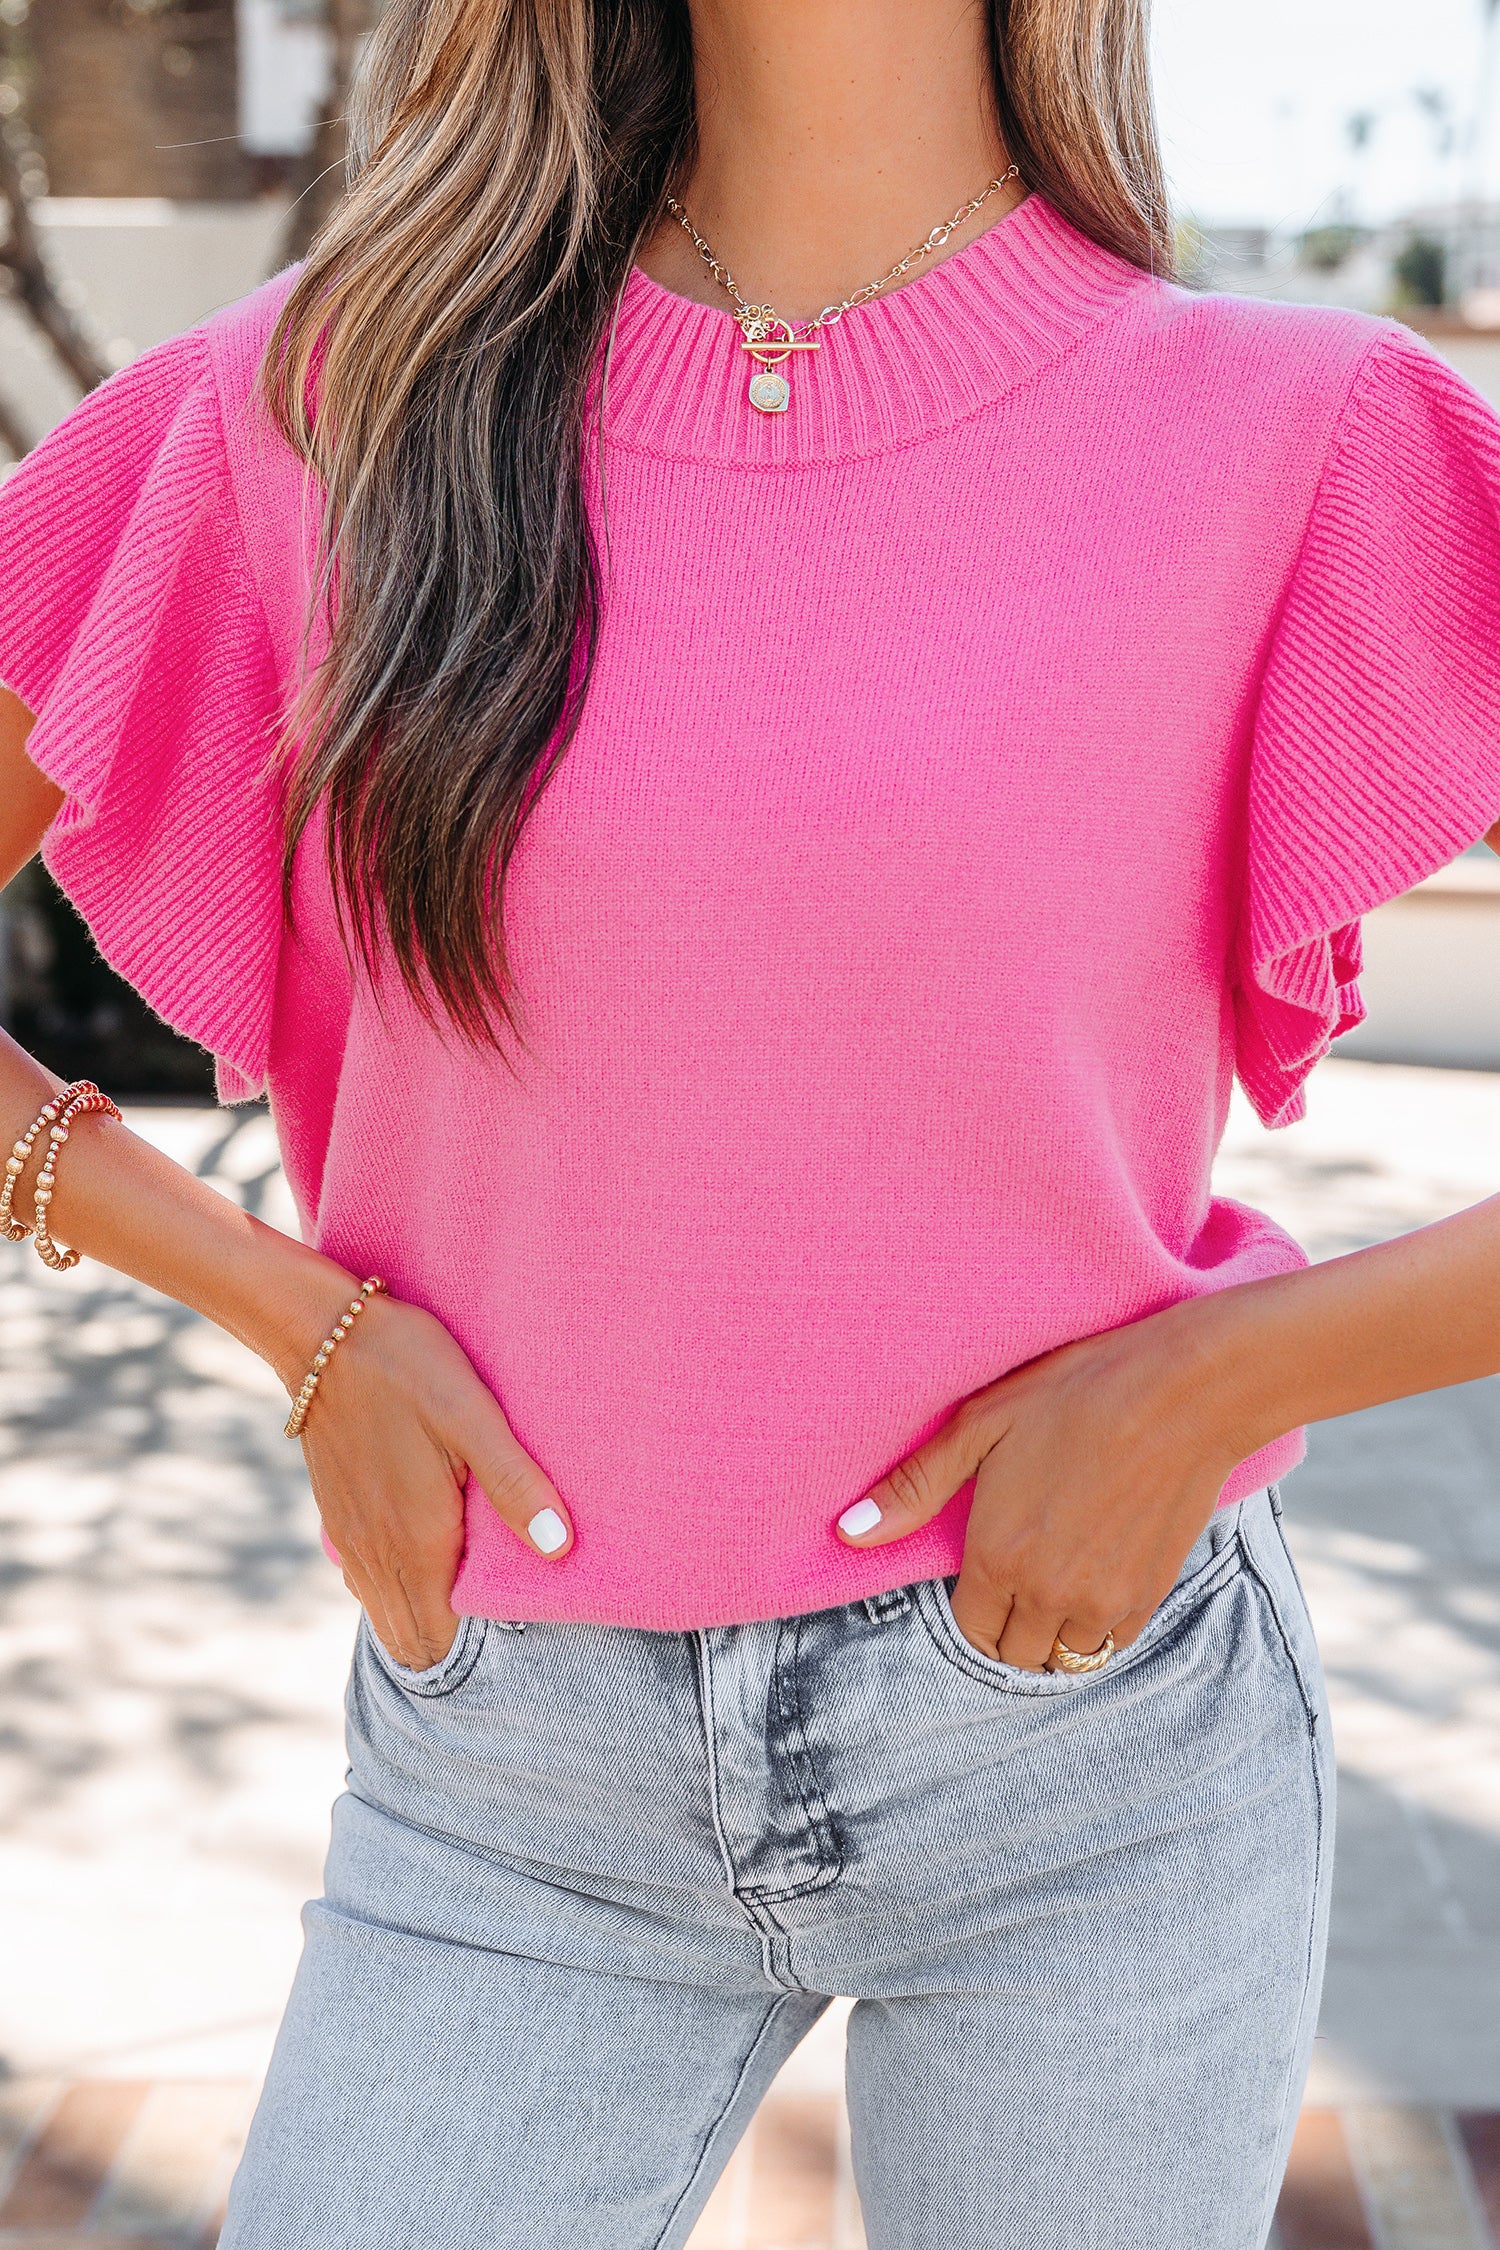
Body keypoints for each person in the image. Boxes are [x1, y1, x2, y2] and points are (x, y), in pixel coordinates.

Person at [2, 0, 1499, 2241]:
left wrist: (1218, 1378)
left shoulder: (1302, 431)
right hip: (513, 1786)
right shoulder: (316, 407)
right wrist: (285, 1315)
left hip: (1095, 1744)